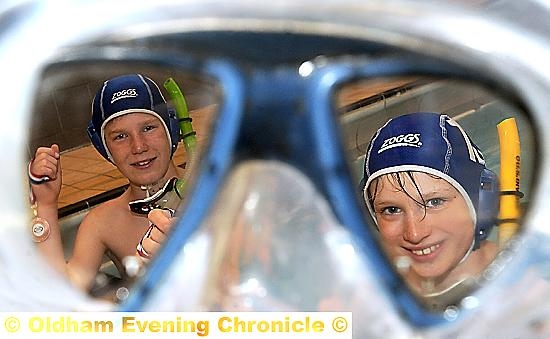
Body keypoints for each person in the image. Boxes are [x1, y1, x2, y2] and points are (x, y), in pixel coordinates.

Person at [28, 74, 183, 292]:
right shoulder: (103, 223)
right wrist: (45, 205)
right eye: (120, 136)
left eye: (148, 128)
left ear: (171, 130)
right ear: (104, 148)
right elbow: (62, 294)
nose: (138, 146)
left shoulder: (217, 192)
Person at [361, 112, 500, 311]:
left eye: (434, 202)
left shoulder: (534, 284)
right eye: (391, 210)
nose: (414, 234)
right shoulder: (361, 297)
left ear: (481, 202)